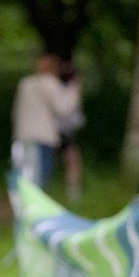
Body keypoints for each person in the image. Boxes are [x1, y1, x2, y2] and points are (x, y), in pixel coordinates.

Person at [11, 53, 79, 190]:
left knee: (23, 173)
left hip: (23, 135)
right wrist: (74, 90)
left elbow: (16, 110)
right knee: (40, 176)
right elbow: (63, 109)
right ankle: (35, 202)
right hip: (43, 136)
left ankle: (21, 201)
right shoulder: (50, 83)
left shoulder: (25, 83)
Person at [56, 61, 85, 204]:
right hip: (63, 131)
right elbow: (70, 111)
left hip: (59, 130)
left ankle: (70, 194)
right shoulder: (71, 90)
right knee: (73, 163)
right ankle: (73, 195)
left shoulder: (55, 87)